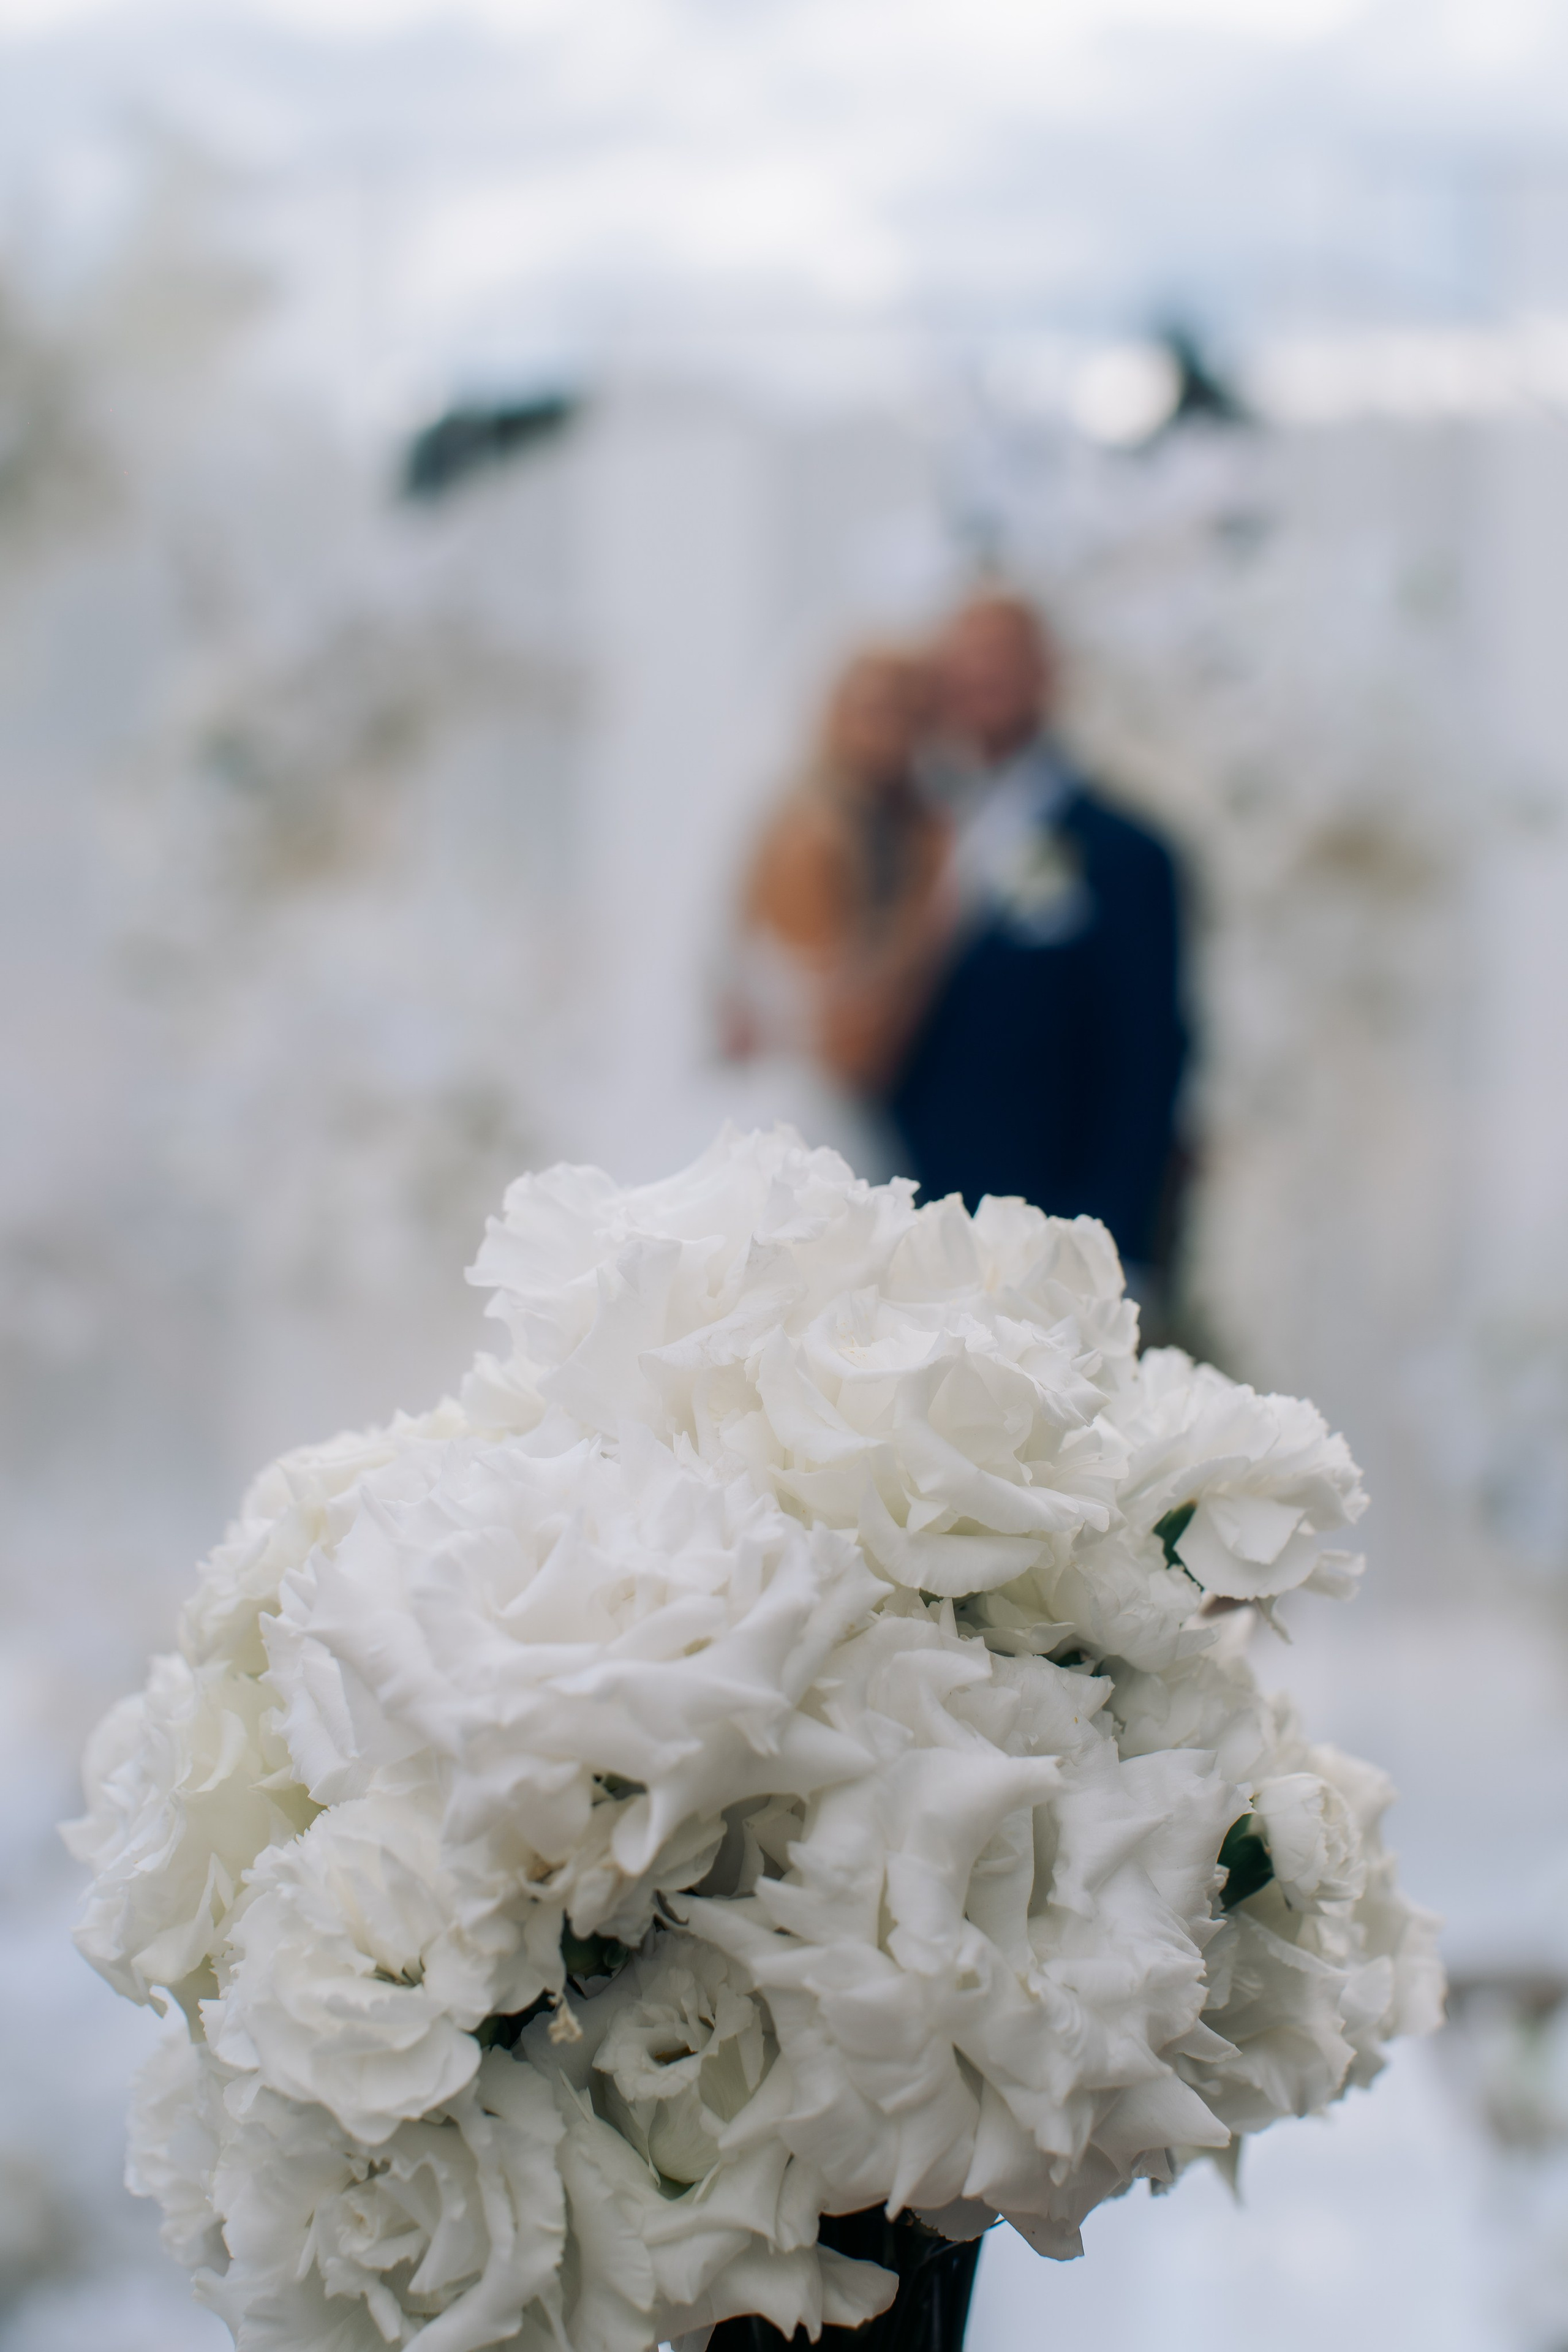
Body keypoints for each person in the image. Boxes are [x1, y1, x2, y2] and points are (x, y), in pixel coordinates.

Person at [885, 594, 1188, 1285]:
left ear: (1048, 674)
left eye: (1001, 660)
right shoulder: (904, 834)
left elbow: (1147, 1060)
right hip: (909, 1225)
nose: (979, 680)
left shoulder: (1128, 853)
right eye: (963, 663)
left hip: (1048, 1237)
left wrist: (1110, 1246)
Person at [726, 646, 953, 1099]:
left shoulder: (892, 832)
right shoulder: (809, 838)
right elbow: (849, 1050)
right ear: (833, 712)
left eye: (911, 711)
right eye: (875, 709)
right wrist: (932, 904)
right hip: (805, 1114)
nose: (894, 730)